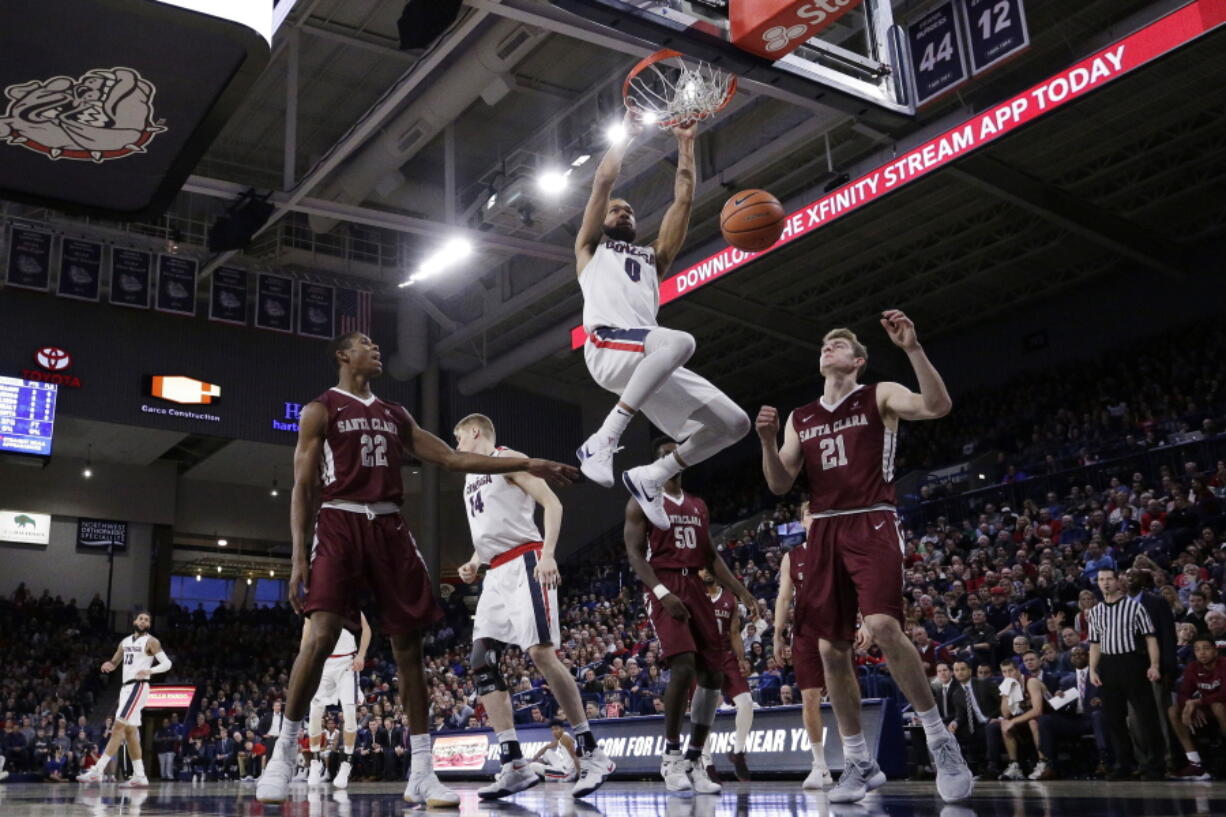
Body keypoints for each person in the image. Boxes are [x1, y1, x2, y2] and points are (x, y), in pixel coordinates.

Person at [256, 331, 577, 805]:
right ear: (344, 356)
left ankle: (422, 772)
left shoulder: (395, 414)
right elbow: (304, 487)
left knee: (409, 647)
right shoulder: (320, 409)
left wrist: (529, 461)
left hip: (388, 525)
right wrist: (298, 556)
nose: (377, 348)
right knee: (321, 634)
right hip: (341, 519)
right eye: (367, 343)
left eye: (376, 342)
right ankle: (283, 752)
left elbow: (450, 457)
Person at [757, 315, 972, 803]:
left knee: (882, 626)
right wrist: (768, 442)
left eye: (839, 345)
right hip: (825, 528)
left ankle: (940, 740)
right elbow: (778, 483)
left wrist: (914, 349)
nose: (828, 348)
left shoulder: (879, 393)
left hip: (873, 517)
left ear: (857, 361)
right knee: (831, 649)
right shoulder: (801, 416)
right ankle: (858, 761)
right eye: (825, 344)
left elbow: (938, 406)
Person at [574, 112, 750, 527]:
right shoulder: (589, 249)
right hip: (607, 345)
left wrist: (686, 143)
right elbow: (603, 182)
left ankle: (654, 475)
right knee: (680, 341)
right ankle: (603, 439)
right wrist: (628, 137)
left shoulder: (654, 259)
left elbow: (684, 200)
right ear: (601, 221)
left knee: (735, 424)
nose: (623, 212)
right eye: (616, 210)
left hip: (648, 358)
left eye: (629, 210)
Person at [453, 413, 614, 800]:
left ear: (475, 432)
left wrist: (548, 555)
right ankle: (514, 764)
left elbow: (552, 503)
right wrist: (476, 560)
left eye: (458, 438)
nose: (456, 445)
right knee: (481, 659)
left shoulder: (510, 458)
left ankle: (592, 752)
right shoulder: (472, 476)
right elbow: (490, 525)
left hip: (526, 559)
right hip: (495, 572)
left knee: (541, 653)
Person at [624, 438, 758, 794]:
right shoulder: (643, 500)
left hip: (697, 585)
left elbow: (711, 556)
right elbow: (636, 555)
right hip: (664, 583)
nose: (673, 459)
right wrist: (662, 593)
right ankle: (670, 754)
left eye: (677, 454)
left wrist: (740, 591)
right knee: (683, 664)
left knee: (713, 675)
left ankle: (695, 758)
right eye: (665, 455)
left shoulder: (698, 505)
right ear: (656, 464)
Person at [76, 611, 172, 787]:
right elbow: (114, 662)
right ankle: (140, 775)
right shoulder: (125, 642)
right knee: (130, 732)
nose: (143, 622)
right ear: (135, 621)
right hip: (125, 687)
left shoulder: (151, 641)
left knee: (118, 726)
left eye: (147, 620)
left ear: (149, 625)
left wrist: (150, 671)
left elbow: (167, 664)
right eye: (141, 619)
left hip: (138, 685)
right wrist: (109, 665)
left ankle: (98, 770)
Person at [773, 504, 831, 790]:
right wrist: (777, 634)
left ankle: (859, 758)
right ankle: (819, 765)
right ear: (802, 520)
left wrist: (863, 623)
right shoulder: (792, 556)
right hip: (805, 631)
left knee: (846, 695)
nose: (813, 516)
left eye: (817, 511)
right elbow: (784, 598)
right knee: (809, 698)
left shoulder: (838, 547)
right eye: (808, 512)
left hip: (836, 627)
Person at [1087, 567, 1165, 779]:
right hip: (1107, 665)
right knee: (1114, 719)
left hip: (1132, 662)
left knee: (1146, 716)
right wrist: (1092, 669)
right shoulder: (1095, 612)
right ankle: (1123, 764)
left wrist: (1154, 665)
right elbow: (1094, 644)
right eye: (1101, 579)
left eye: (1109, 579)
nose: (1105, 583)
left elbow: (1151, 638)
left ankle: (1155, 765)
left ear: (1117, 581)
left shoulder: (1135, 607)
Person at [700, 567, 755, 782]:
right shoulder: (693, 597)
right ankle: (707, 764)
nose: (705, 572)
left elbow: (734, 632)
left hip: (725, 656)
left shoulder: (730, 599)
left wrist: (741, 659)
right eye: (701, 569)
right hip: (703, 658)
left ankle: (738, 752)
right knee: (703, 713)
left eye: (707, 567)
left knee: (746, 702)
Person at [305, 612, 370, 789]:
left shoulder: (350, 602)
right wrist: (305, 660)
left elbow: (366, 629)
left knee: (349, 712)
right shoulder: (315, 602)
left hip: (347, 663)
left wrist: (361, 655)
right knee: (315, 712)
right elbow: (306, 630)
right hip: (323, 663)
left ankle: (346, 763)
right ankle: (315, 762)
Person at [1168, 636, 1226, 780]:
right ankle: (1195, 763)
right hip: (1208, 706)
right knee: (1173, 710)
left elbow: (1224, 694)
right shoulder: (1192, 667)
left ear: (1215, 651)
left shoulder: (1224, 664)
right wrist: (1190, 703)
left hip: (1221, 706)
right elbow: (1183, 694)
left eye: (1206, 648)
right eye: (1197, 649)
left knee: (1218, 706)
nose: (1202, 653)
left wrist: (1198, 702)